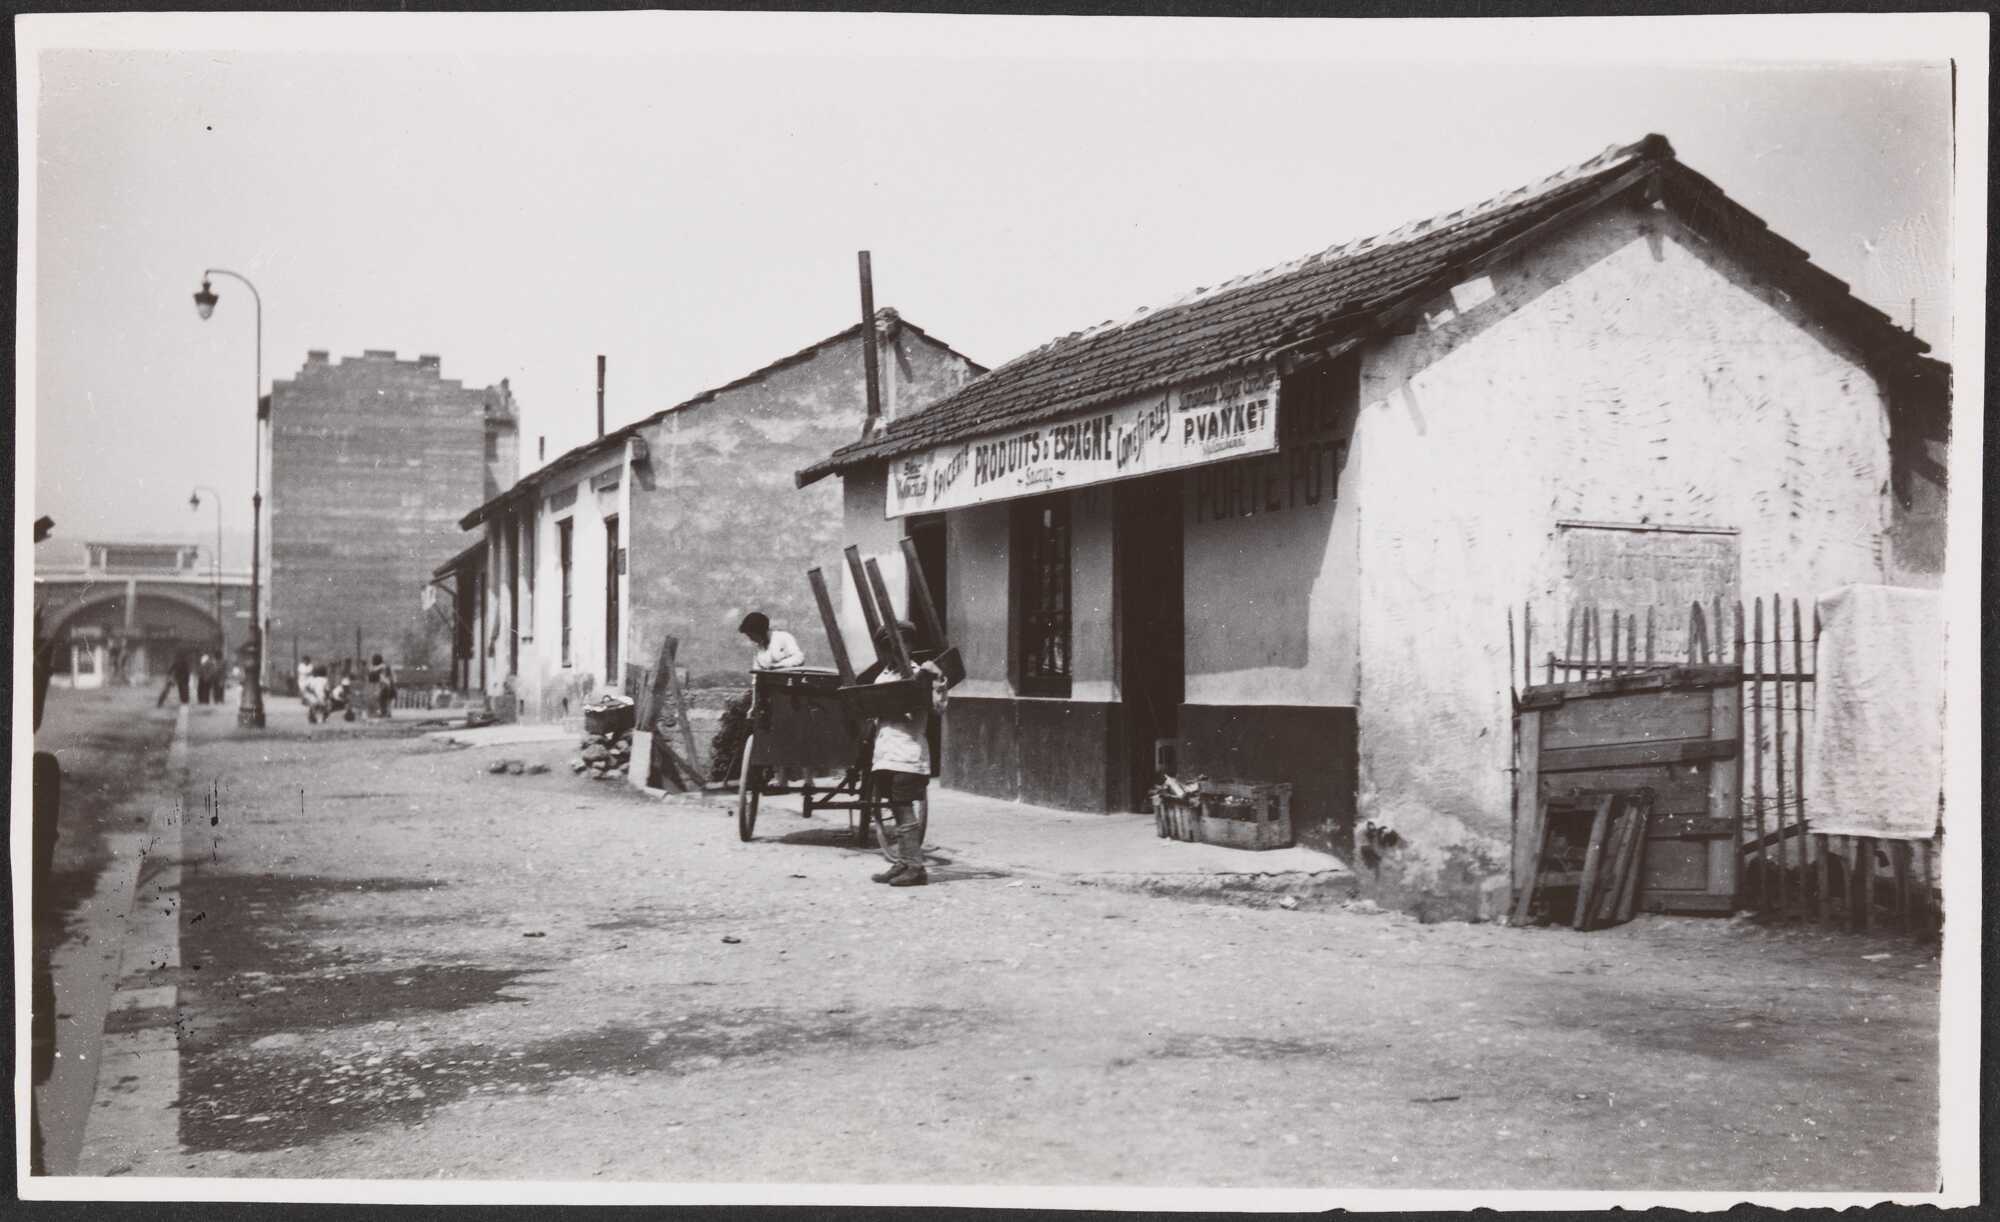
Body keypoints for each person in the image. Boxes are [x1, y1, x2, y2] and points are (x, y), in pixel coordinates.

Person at [863, 621, 949, 888]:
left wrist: (935, 679)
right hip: (886, 751)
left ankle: (915, 867)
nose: (890, 654)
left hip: (907, 752)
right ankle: (903, 860)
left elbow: (938, 706)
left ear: (909, 647)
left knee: (903, 806)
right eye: (885, 649)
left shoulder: (917, 676)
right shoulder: (883, 676)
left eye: (895, 648)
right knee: (894, 805)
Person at [711, 612, 806, 784]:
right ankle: (780, 778)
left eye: (751, 634)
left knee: (797, 734)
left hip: (793, 693)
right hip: (772, 697)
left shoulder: (783, 638)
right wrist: (753, 706)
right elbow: (756, 679)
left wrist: (777, 667)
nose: (750, 639)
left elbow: (799, 657)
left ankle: (808, 779)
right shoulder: (759, 650)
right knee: (774, 735)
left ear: (760, 630)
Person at [367, 653, 397, 718]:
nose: (372, 662)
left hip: (385, 685)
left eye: (373, 660)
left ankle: (385, 712)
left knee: (383, 700)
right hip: (389, 685)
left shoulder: (381, 667)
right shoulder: (386, 666)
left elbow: (373, 671)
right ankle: (387, 712)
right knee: (387, 700)